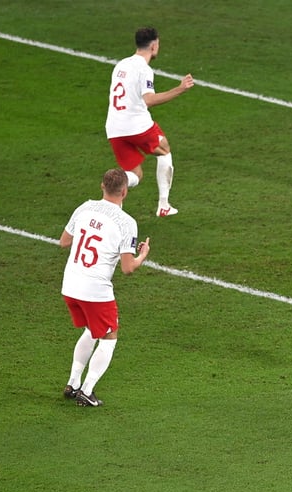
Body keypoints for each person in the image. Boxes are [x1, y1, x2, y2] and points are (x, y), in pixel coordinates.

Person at [60, 169, 151, 407]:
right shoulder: (126, 222)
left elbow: (64, 241)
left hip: (70, 284)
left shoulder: (84, 207)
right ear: (124, 191)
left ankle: (73, 384)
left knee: (92, 330)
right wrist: (142, 255)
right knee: (109, 337)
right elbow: (128, 268)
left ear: (102, 186)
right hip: (95, 290)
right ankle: (87, 391)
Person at [105, 26, 195, 217]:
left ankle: (110, 188)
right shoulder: (144, 69)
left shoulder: (121, 65)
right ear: (154, 45)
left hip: (114, 128)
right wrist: (180, 89)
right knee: (164, 149)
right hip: (136, 125)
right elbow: (149, 100)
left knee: (135, 175)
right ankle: (164, 205)